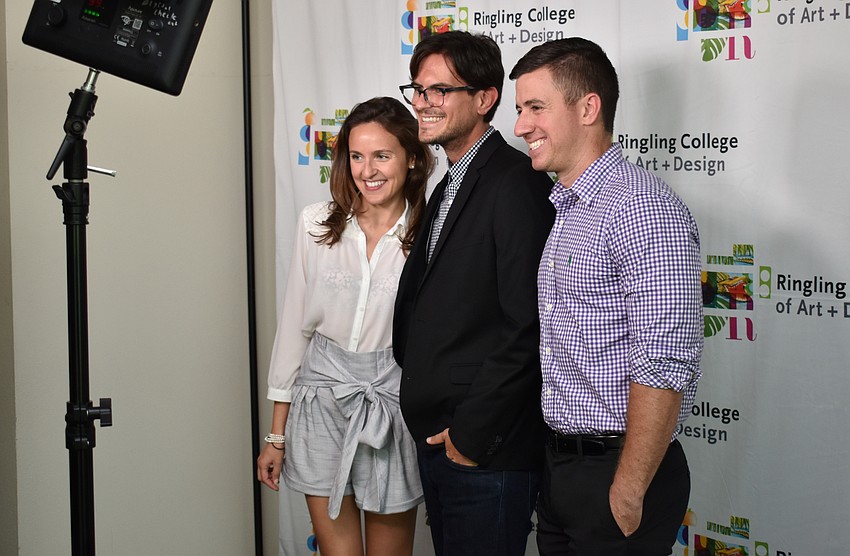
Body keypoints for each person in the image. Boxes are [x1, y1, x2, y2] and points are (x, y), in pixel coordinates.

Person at [510, 38, 703, 556]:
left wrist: (629, 485)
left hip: (617, 472)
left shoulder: (642, 207)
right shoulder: (569, 208)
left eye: (536, 108)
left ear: (588, 107)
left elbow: (664, 359)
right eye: (519, 109)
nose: (520, 126)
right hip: (562, 470)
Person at [393, 31, 555, 556]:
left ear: (485, 99)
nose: (423, 103)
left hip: (486, 452)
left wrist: (469, 436)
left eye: (440, 90)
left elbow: (527, 325)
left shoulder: (514, 183)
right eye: (418, 90)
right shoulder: (449, 182)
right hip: (440, 441)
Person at [256, 96, 433, 556]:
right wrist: (276, 435)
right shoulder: (315, 224)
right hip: (319, 402)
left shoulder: (431, 233)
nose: (367, 170)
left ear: (411, 158)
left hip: (390, 404)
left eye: (382, 155)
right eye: (356, 156)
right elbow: (295, 328)